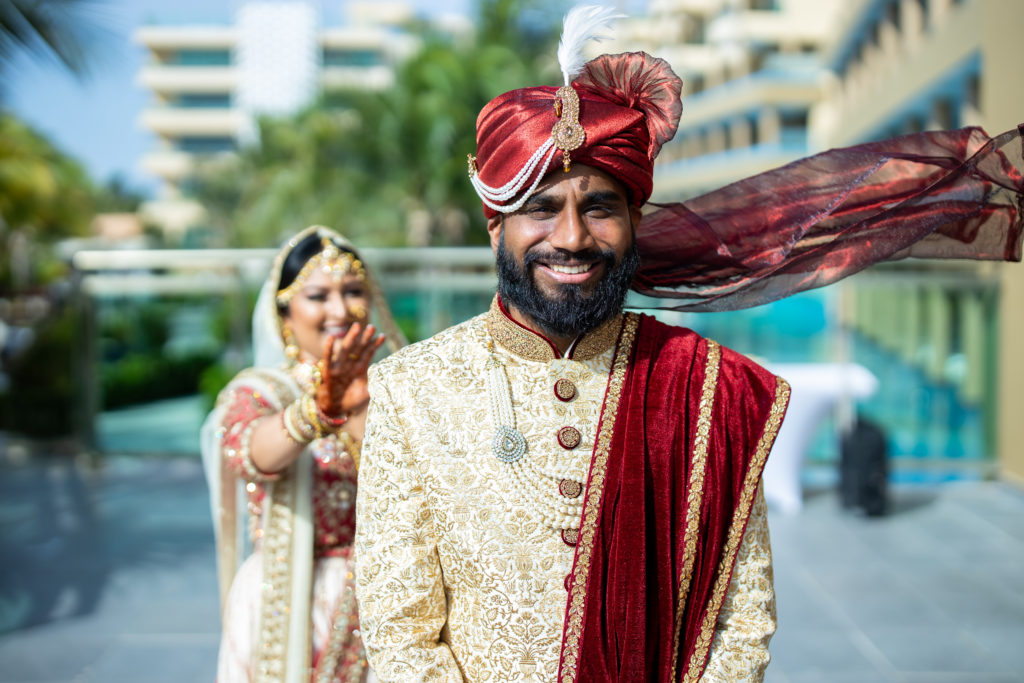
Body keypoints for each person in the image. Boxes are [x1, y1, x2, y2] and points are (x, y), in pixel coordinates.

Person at [354, 6, 1023, 682]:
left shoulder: (708, 389)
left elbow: (741, 620)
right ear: (494, 225)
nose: (572, 237)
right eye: (539, 208)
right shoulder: (412, 391)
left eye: (599, 207)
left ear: (634, 219)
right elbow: (399, 633)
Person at [201, 226, 405, 683]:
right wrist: (319, 410)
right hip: (291, 594)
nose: (340, 309)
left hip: (392, 598)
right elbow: (252, 456)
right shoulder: (262, 392)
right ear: (284, 311)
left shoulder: (401, 390)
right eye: (318, 295)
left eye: (354, 290)